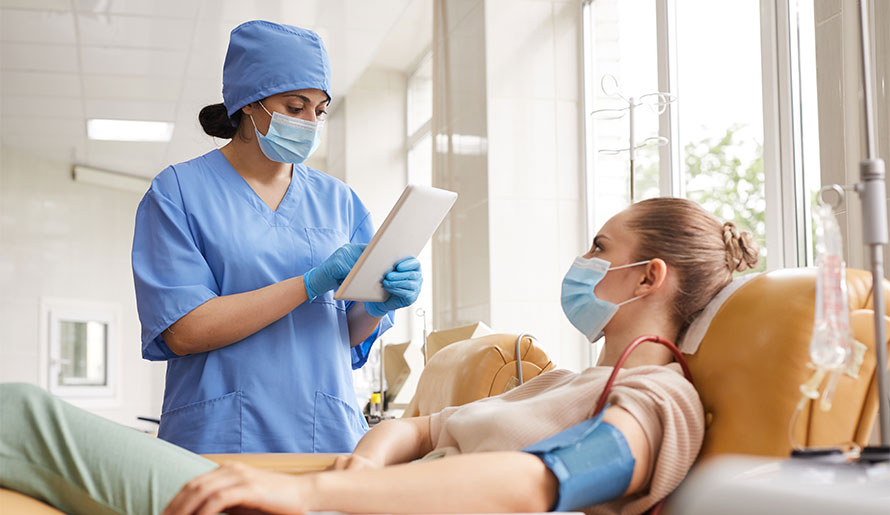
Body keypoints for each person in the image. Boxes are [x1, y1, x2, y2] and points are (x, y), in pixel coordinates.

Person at [1, 198, 759, 514]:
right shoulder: (568, 380)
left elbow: (544, 481)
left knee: (18, 412)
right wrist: (363, 463)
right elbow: (424, 428)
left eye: (601, 247)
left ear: (650, 276)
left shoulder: (664, 397)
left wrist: (315, 497)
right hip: (352, 495)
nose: (582, 259)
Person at [130, 20, 422, 454]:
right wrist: (310, 283)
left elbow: (342, 331)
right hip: (220, 435)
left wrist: (378, 308)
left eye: (319, 110)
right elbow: (183, 331)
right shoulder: (178, 192)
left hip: (324, 435)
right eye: (295, 106)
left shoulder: (339, 200)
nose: (310, 121)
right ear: (250, 102)